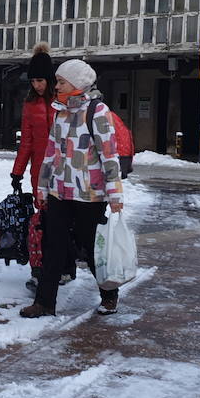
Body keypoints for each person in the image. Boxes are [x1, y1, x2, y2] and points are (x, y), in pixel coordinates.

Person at [20, 58, 124, 318]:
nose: (56, 86)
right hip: (60, 192)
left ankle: (109, 295)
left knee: (91, 248)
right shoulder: (61, 112)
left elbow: (109, 155)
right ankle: (45, 303)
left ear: (76, 83)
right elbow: (50, 154)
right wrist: (43, 188)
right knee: (53, 246)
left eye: (61, 81)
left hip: (90, 195)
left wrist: (115, 194)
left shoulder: (97, 111)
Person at [10, 43, 70, 289]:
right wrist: (17, 171)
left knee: (62, 222)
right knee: (41, 222)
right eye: (33, 81)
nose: (36, 85)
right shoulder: (29, 105)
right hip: (39, 173)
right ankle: (39, 270)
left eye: (40, 80)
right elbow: (26, 141)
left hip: (63, 171)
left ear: (49, 78)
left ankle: (65, 267)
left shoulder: (64, 102)